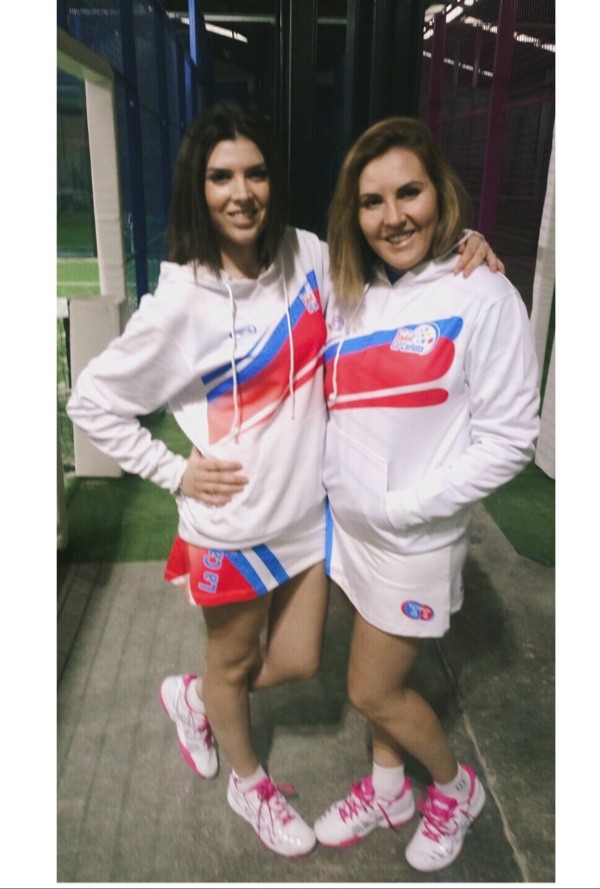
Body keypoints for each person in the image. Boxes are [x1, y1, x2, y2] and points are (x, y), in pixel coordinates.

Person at [66, 100, 501, 859]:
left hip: (307, 519)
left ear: (274, 179)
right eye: (221, 177)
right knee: (234, 661)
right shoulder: (181, 301)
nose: (242, 193)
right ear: (198, 188)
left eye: (256, 173)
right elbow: (92, 402)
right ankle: (248, 783)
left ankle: (196, 698)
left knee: (298, 660)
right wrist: (174, 470)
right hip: (233, 525)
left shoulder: (307, 255)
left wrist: (463, 245)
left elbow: (393, 269)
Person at [312, 116, 540, 873]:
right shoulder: (351, 293)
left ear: (439, 192)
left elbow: (510, 439)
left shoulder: (485, 296)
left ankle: (454, 787)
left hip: (412, 542)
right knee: (387, 678)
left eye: (409, 192)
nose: (393, 216)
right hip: (350, 535)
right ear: (353, 214)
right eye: (372, 201)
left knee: (372, 691)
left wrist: (401, 508)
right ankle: (388, 789)